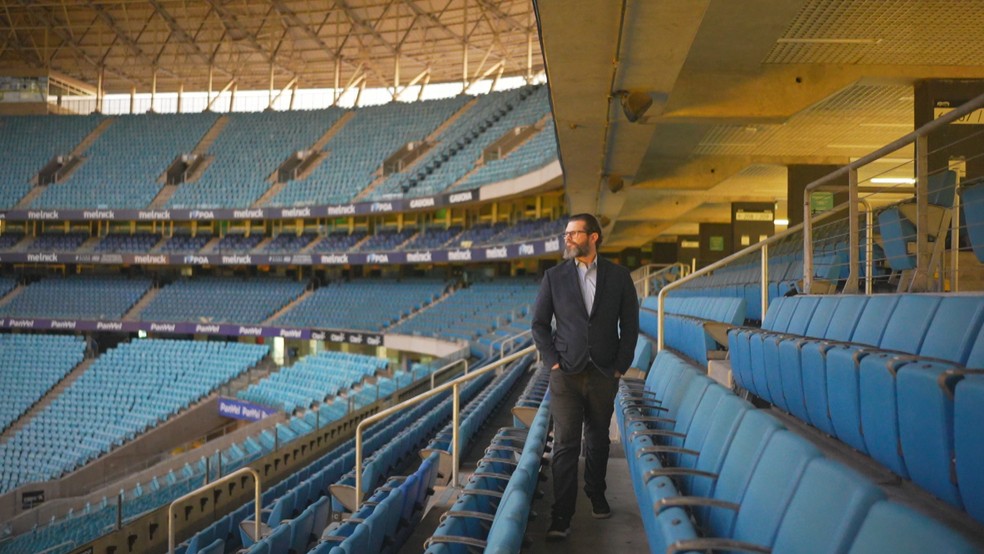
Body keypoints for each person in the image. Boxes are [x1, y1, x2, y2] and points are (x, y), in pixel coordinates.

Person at [531, 213, 640, 541]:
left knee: (597, 440)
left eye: (574, 234)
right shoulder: (554, 277)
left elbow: (631, 325)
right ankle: (561, 515)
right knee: (564, 444)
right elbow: (539, 324)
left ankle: (596, 493)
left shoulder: (619, 277)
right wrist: (552, 362)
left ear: (593, 237)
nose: (567, 239)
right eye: (566, 234)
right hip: (565, 374)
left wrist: (620, 365)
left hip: (604, 372)